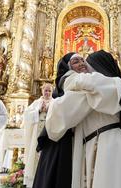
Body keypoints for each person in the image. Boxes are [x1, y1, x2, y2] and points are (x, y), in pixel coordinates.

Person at [46, 50, 121, 188]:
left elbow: (53, 124)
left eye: (85, 64)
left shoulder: (99, 90)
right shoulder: (113, 88)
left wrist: (67, 78)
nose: (83, 68)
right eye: (76, 62)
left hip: (109, 150)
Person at [32, 53, 76, 188]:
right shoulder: (65, 85)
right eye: (76, 62)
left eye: (83, 61)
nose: (81, 64)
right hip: (61, 139)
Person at [23, 83, 53, 187]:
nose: (47, 93)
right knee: (35, 155)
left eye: (49, 91)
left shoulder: (55, 102)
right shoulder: (36, 102)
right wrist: (39, 110)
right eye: (46, 90)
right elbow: (27, 115)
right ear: (42, 91)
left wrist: (49, 110)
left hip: (49, 132)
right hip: (37, 132)